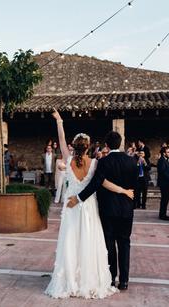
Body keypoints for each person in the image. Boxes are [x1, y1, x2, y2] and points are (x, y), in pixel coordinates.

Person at [46, 110, 133, 298]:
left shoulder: (68, 160)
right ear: (88, 148)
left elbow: (61, 140)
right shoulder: (95, 163)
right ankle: (89, 278)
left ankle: (71, 280)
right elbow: (103, 183)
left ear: (74, 147)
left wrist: (60, 121)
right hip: (89, 207)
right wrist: (124, 191)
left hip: (71, 206)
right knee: (89, 240)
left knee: (70, 241)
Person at [157, 147, 169, 221]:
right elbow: (163, 172)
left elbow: (167, 171)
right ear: (164, 153)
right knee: (164, 199)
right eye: (168, 152)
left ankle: (163, 214)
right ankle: (162, 215)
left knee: (166, 199)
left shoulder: (166, 160)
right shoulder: (162, 160)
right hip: (164, 183)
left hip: (166, 182)